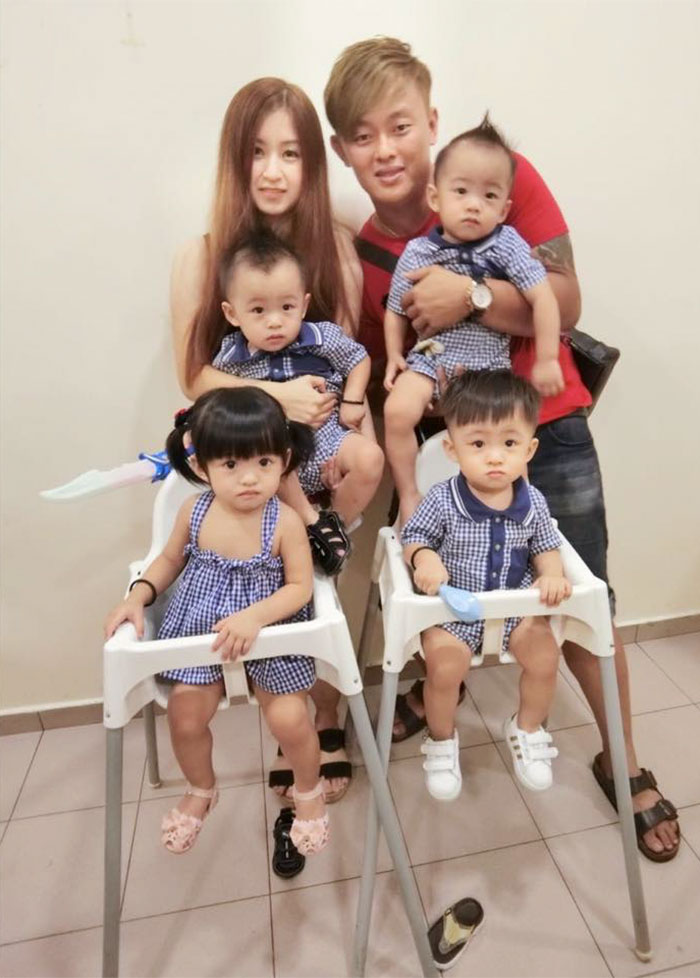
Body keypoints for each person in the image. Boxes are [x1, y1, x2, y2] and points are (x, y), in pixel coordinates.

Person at [324, 36, 680, 859]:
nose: (386, 150)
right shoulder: (369, 252)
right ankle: (432, 698)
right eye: (364, 136)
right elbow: (385, 361)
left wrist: (474, 296)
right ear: (343, 150)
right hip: (455, 455)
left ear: (430, 121)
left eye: (400, 126)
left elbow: (565, 297)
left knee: (584, 592)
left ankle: (624, 760)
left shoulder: (498, 177)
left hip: (549, 425)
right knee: (441, 584)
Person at [170, 78, 361, 803]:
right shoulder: (200, 256)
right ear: (235, 160)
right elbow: (195, 376)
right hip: (246, 457)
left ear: (312, 163)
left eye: (291, 153)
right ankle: (294, 709)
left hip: (317, 457)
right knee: (274, 560)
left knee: (320, 568)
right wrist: (278, 398)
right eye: (257, 152)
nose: (274, 171)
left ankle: (317, 706)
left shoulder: (335, 251)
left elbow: (345, 360)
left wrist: (353, 429)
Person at [104, 387, 329, 857]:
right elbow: (168, 560)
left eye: (264, 463)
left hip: (270, 632)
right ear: (202, 467)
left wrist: (255, 616)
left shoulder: (285, 521)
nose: (249, 478)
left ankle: (309, 790)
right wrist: (138, 595)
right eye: (230, 464)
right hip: (201, 631)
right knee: (184, 717)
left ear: (284, 461)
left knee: (290, 718)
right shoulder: (195, 510)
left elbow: (299, 588)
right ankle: (201, 788)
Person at [383, 117, 563, 523]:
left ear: (504, 209)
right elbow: (395, 309)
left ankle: (520, 510)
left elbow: (545, 298)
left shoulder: (506, 245)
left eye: (489, 195)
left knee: (508, 434)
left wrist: (548, 358)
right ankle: (410, 494)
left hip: (489, 369)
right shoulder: (418, 252)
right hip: (431, 358)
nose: (473, 204)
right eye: (461, 191)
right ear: (435, 197)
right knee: (397, 412)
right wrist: (395, 354)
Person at [402, 370, 569, 800]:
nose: (495, 457)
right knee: (444, 668)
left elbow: (546, 544)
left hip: (513, 610)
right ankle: (442, 740)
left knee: (545, 655)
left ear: (529, 449)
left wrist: (551, 573)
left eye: (509, 444)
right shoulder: (442, 498)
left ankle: (526, 729)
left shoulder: (533, 502)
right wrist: (425, 559)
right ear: (452, 449)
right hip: (453, 611)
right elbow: (414, 537)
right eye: (478, 444)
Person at [212, 232, 383, 572]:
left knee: (371, 458)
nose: (275, 321)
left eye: (287, 308)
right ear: (232, 314)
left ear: (303, 306)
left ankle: (332, 529)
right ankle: (306, 531)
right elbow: (221, 406)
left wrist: (352, 400)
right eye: (258, 310)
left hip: (330, 439)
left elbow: (358, 359)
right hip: (275, 457)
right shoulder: (231, 360)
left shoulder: (321, 337)